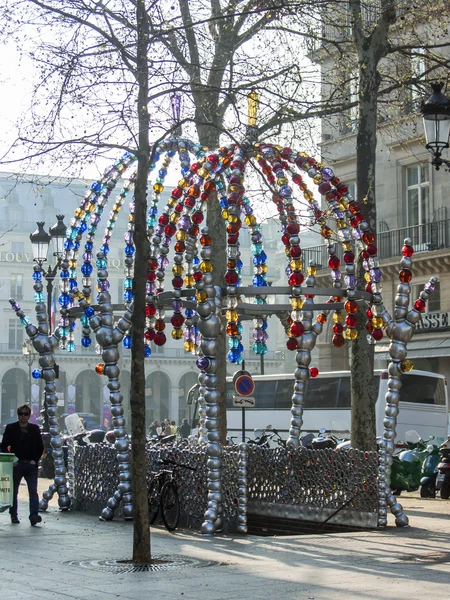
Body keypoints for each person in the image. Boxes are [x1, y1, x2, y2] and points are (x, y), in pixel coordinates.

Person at [1, 404, 44, 526]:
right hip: (16, 465)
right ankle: (13, 515)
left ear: (29, 416)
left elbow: (40, 447)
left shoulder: (34, 429)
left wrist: (35, 460)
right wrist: (12, 460)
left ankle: (34, 515)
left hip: (30, 465)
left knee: (33, 491)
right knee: (14, 491)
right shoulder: (11, 428)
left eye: (25, 414)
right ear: (18, 415)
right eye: (21, 414)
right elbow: (3, 446)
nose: (23, 416)